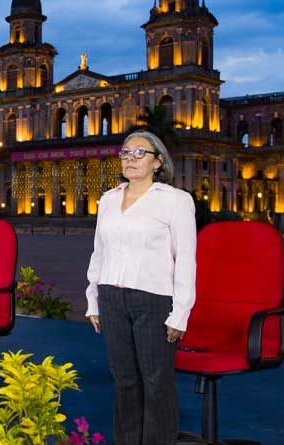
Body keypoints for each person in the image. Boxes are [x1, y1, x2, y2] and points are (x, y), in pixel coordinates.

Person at [85, 130, 196, 445]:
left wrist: (180, 313)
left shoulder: (175, 201)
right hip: (111, 297)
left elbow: (186, 258)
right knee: (124, 382)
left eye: (139, 153)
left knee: (156, 382)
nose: (130, 158)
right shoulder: (108, 200)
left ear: (158, 161)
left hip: (154, 301)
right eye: (125, 152)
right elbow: (99, 253)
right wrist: (93, 300)